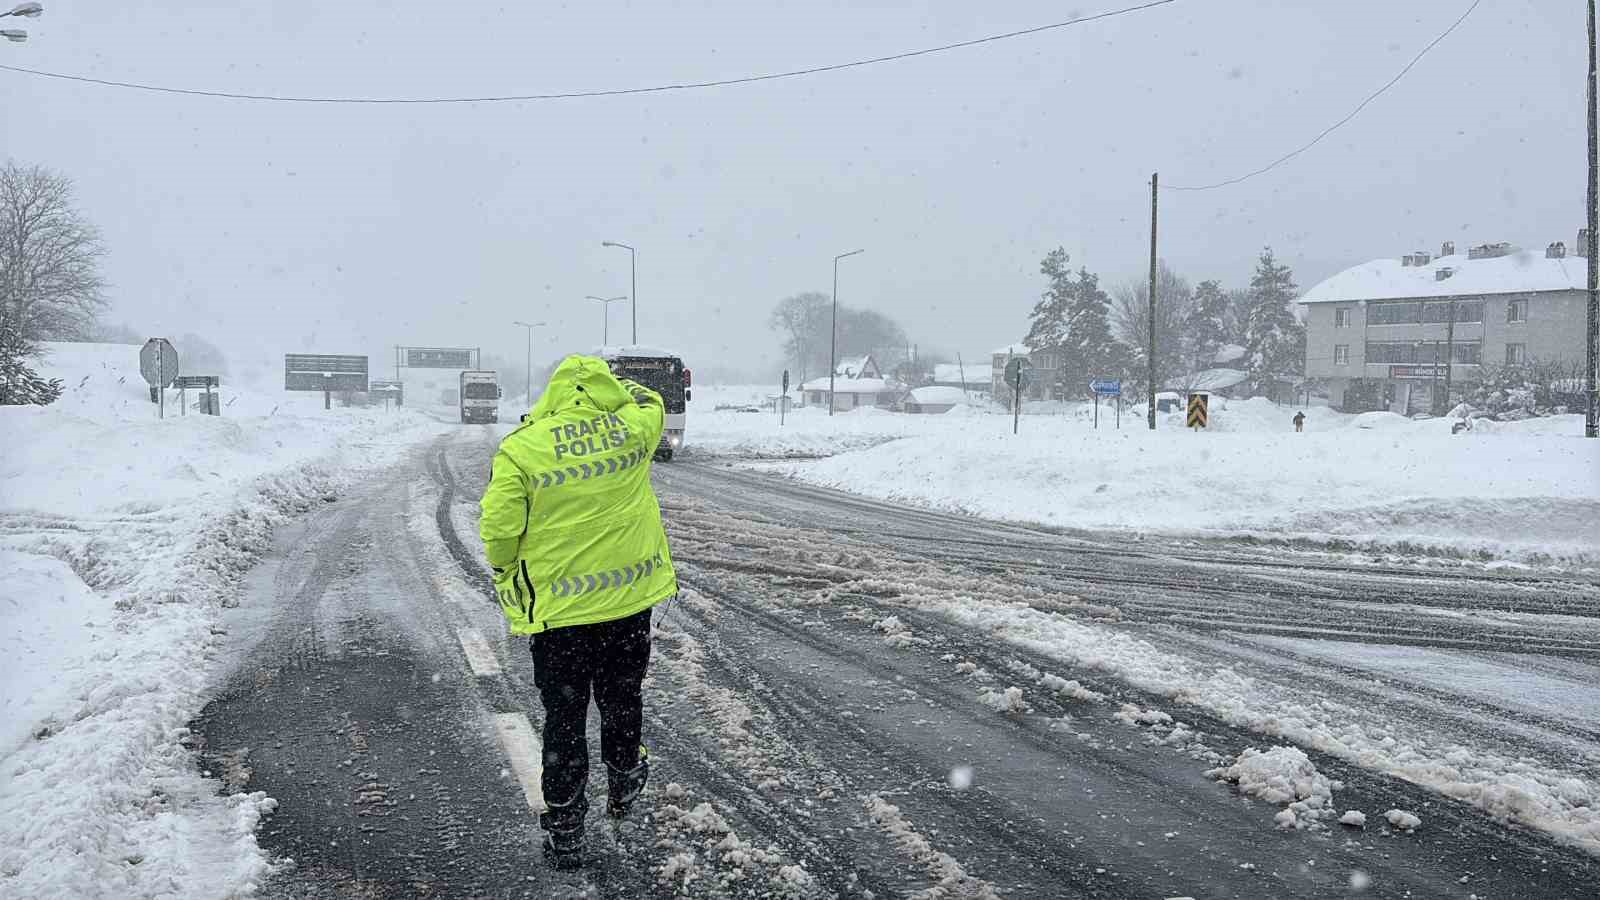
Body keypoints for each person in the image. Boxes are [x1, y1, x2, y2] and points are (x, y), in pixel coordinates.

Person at [479, 354, 678, 869]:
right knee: (621, 698)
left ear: (552, 394)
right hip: (626, 607)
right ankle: (625, 777)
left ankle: (566, 828)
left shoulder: (523, 449)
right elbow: (653, 401)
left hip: (560, 618)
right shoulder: (632, 431)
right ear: (605, 392)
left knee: (564, 718)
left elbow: (499, 529)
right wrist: (615, 390)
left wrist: (505, 572)